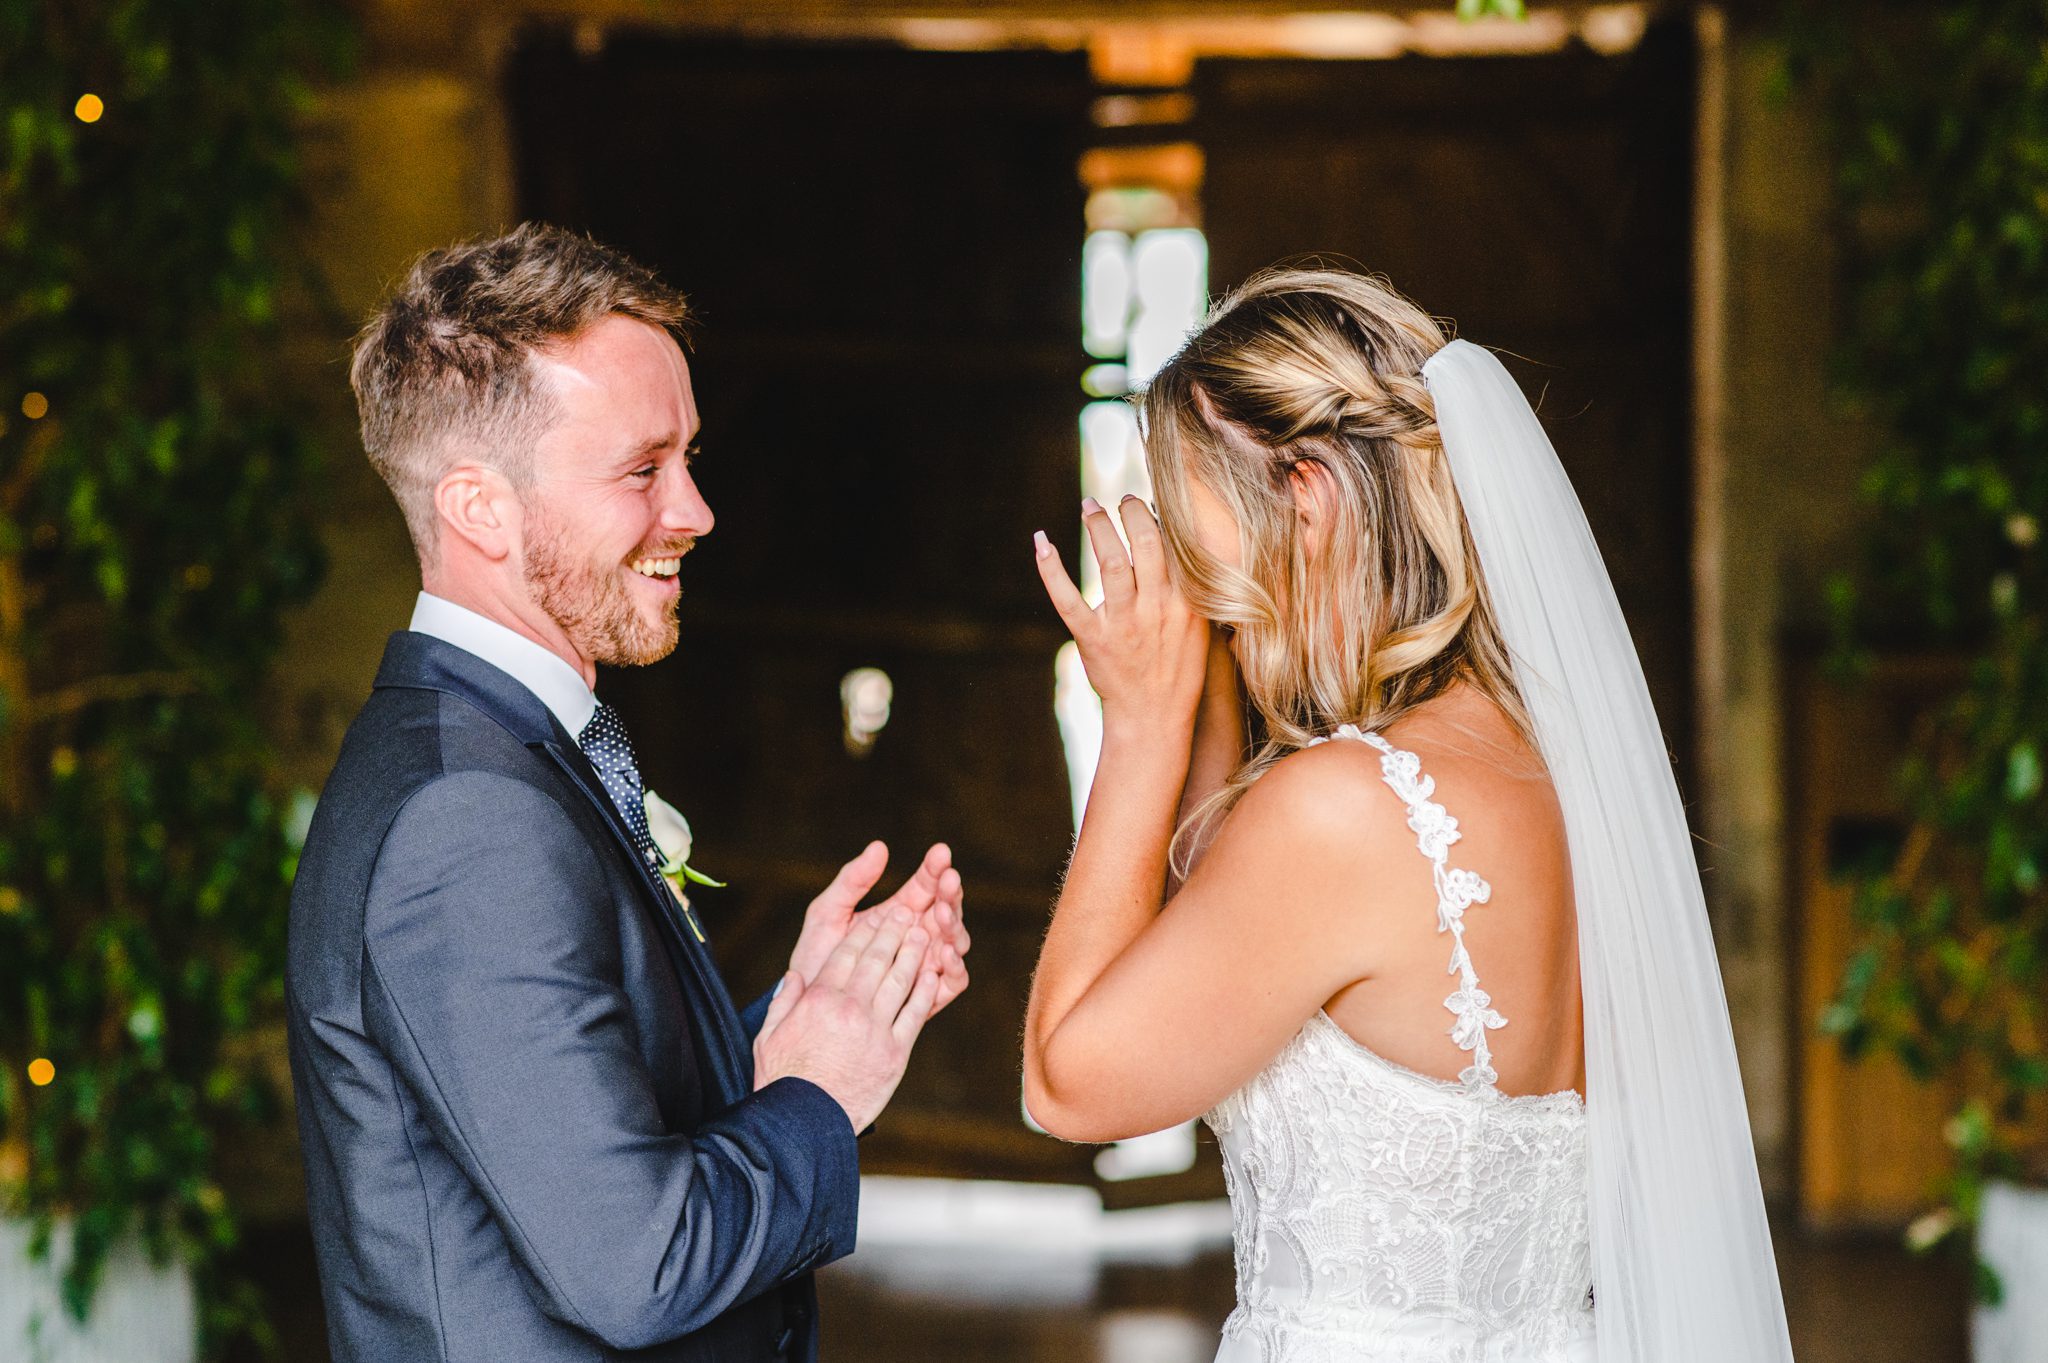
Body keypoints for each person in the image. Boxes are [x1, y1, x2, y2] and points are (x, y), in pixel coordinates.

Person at [1023, 268, 1794, 1363]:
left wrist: (1139, 731)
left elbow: (1068, 1081)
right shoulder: (1549, 764)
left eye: (1202, 548)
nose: (1192, 588)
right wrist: (1199, 689)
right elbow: (1202, 987)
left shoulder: (1343, 808)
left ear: (1308, 496)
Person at [286, 223, 970, 1363]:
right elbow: (635, 1266)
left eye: (688, 459)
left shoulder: (495, 752)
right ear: (479, 508)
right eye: (642, 469)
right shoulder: (468, 817)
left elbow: (576, 1131)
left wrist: (781, 1029)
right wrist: (818, 1094)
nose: (693, 510)